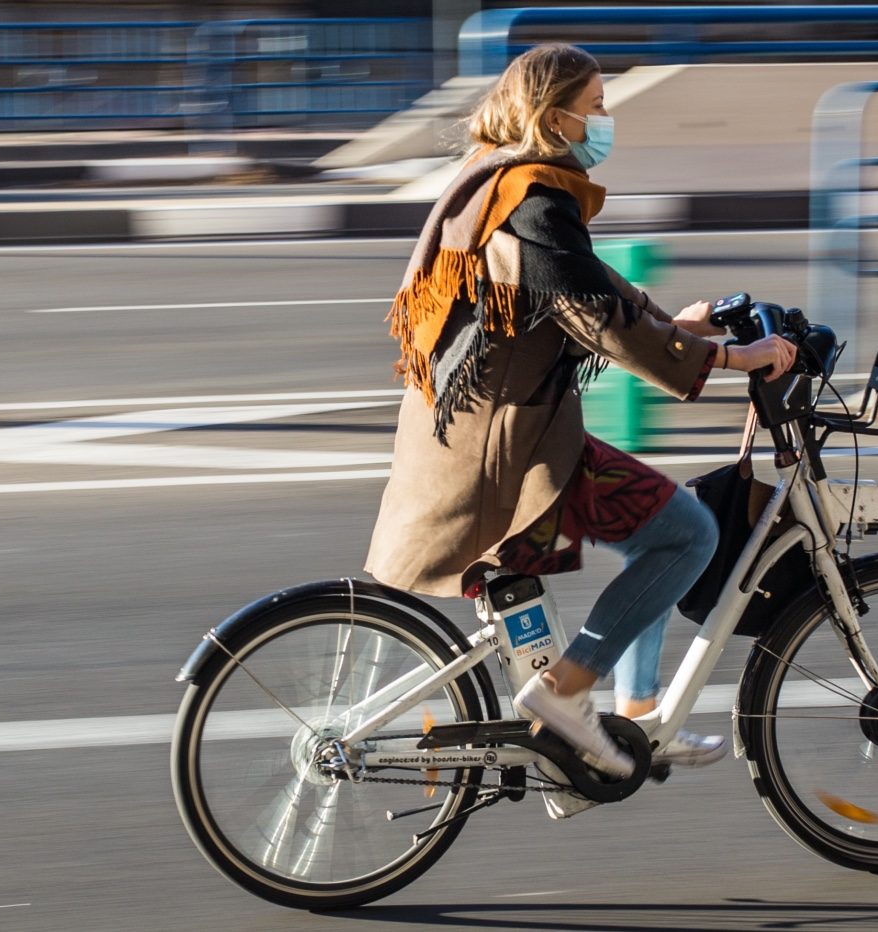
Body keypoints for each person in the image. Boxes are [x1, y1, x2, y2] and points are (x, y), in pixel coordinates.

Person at [365, 44, 796, 794]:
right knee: (690, 533)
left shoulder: (498, 174)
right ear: (554, 113)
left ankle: (637, 711)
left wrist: (678, 326)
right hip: (506, 448)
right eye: (595, 105)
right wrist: (735, 360)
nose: (604, 120)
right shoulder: (534, 197)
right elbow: (594, 317)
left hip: (490, 431)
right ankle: (564, 694)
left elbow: (587, 280)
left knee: (665, 527)